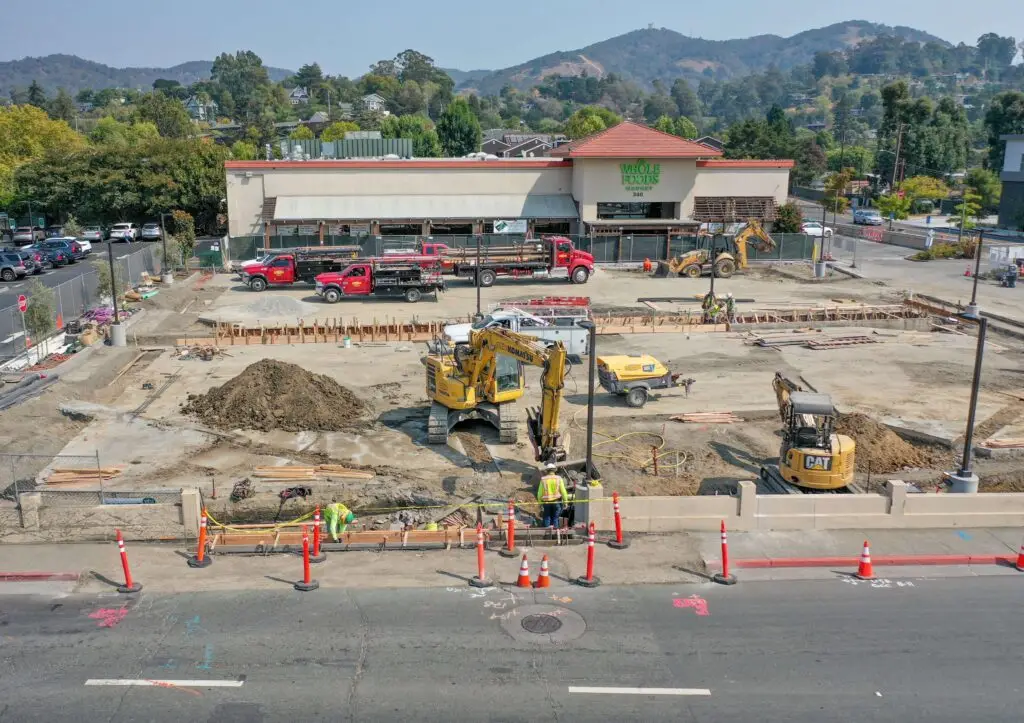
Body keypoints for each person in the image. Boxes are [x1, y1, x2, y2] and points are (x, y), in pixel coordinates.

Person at [536, 463, 569, 529]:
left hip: (546, 503)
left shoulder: (543, 479)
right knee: (555, 518)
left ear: (547, 471)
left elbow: (539, 493)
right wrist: (566, 502)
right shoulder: (558, 478)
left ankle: (546, 535)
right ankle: (555, 534)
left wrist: (540, 503)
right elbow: (563, 492)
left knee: (547, 517)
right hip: (556, 502)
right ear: (554, 470)